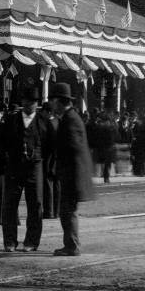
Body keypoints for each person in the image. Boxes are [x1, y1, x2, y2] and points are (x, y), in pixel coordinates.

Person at [50, 83, 94, 256]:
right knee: (66, 211)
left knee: (68, 212)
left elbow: (74, 149)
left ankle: (72, 246)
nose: (51, 105)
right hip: (70, 174)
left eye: (53, 101)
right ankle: (70, 244)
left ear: (59, 101)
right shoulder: (69, 117)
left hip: (72, 175)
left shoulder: (70, 120)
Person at [1, 87, 48, 252]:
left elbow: (49, 147)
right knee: (9, 204)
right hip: (14, 167)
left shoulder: (43, 121)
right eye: (27, 102)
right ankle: (10, 241)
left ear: (37, 104)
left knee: (35, 205)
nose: (29, 105)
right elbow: (3, 143)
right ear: (22, 102)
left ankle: (31, 241)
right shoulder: (11, 120)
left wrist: (42, 162)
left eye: (33, 103)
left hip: (35, 168)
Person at [40, 102, 60, 220]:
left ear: (47, 112)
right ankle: (56, 211)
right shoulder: (58, 122)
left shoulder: (48, 124)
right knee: (57, 185)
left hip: (49, 158)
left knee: (48, 185)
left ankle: (49, 211)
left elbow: (47, 143)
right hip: (58, 158)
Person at [91, 110, 118, 183]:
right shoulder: (110, 127)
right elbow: (115, 136)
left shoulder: (99, 126)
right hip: (108, 147)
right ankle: (106, 177)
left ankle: (104, 176)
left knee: (103, 163)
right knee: (107, 163)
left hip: (103, 146)